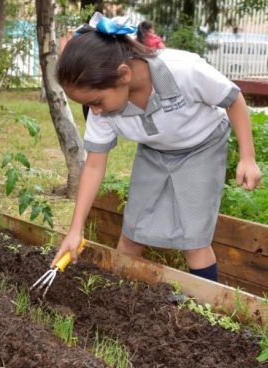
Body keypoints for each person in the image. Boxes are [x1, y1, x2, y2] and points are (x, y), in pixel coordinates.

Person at [52, 13, 261, 283]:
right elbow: (94, 165)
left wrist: (247, 157)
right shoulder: (102, 112)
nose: (95, 110)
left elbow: (233, 99)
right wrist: (75, 229)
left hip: (202, 146)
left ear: (123, 74)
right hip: (155, 150)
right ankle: (119, 296)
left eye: (97, 101)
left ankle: (208, 310)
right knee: (132, 230)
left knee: (193, 240)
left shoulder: (182, 70)